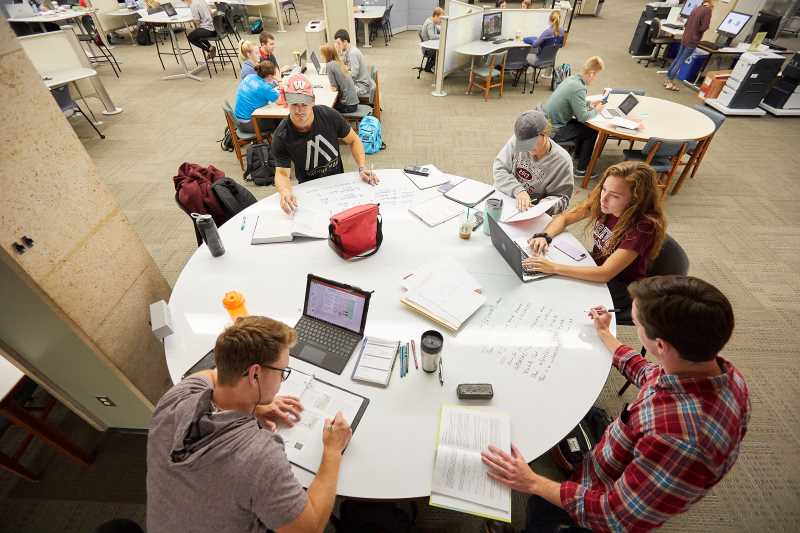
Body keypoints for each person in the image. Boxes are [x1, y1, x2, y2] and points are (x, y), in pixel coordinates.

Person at [481, 275, 750, 532]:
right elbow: (651, 375)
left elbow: (614, 515)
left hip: (607, 503)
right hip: (618, 460)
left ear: (660, 345)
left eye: (637, 323)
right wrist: (606, 335)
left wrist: (532, 482)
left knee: (541, 506)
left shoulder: (677, 440)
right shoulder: (718, 372)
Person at [147, 315, 354, 533]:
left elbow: (212, 375)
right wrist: (332, 451)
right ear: (255, 374)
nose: (283, 379)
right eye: (282, 372)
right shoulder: (259, 457)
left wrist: (255, 403)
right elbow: (309, 529)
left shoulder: (177, 397)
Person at [522, 161, 666, 310]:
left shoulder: (643, 227)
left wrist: (554, 268)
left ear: (636, 199)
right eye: (604, 189)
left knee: (558, 299)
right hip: (595, 264)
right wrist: (544, 236)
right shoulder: (605, 204)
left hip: (619, 285)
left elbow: (605, 274)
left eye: (615, 196)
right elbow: (565, 218)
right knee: (547, 282)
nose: (603, 198)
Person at [272, 73, 378, 214]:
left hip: (338, 181)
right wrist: (285, 191)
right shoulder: (281, 135)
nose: (299, 110)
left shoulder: (329, 115)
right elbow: (281, 173)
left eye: (304, 104)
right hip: (309, 187)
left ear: (313, 101)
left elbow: (354, 140)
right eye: (294, 104)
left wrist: (361, 167)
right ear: (287, 102)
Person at [493, 110, 574, 215]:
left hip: (532, 212)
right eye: (523, 143)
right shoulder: (518, 141)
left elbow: (562, 198)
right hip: (506, 197)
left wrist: (544, 206)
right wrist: (519, 191)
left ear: (546, 133)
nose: (527, 147)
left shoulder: (562, 161)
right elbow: (499, 169)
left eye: (531, 142)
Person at [542, 56, 605, 180]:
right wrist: (596, 110)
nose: (595, 78)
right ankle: (582, 169)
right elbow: (583, 117)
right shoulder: (579, 88)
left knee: (583, 127)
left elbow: (573, 102)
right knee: (591, 131)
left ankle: (578, 154)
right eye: (597, 75)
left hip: (547, 121)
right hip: (553, 130)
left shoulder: (572, 79)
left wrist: (589, 104)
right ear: (592, 73)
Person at [665, 0, 714, 91]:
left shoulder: (697, 8)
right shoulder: (708, 11)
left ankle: (667, 79)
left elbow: (687, 24)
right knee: (681, 60)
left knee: (677, 58)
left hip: (685, 37)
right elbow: (704, 26)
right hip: (693, 40)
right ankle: (670, 82)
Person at [234, 62, 279, 135]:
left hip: (238, 120)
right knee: (280, 121)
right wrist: (279, 81)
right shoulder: (265, 87)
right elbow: (280, 101)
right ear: (270, 75)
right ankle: (278, 143)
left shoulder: (249, 76)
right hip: (249, 124)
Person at [333, 29, 375, 101]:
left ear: (345, 42)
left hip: (361, 87)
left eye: (338, 43)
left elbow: (353, 74)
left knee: (340, 91)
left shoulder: (352, 53)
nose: (337, 45)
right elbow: (344, 64)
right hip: (360, 83)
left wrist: (341, 78)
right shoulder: (349, 49)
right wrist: (339, 53)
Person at [319, 43, 360, 114]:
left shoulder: (329, 65)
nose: (321, 56)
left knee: (325, 110)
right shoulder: (338, 62)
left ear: (326, 55)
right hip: (354, 102)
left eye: (322, 54)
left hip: (348, 106)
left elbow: (334, 88)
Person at [420, 8, 444, 72]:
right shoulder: (430, 23)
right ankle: (434, 67)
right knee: (443, 50)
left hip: (429, 46)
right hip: (428, 49)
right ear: (436, 16)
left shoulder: (431, 20)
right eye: (440, 18)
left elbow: (437, 30)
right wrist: (443, 35)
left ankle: (434, 66)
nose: (441, 21)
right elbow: (432, 37)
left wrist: (443, 31)